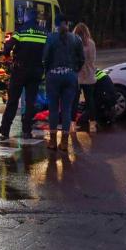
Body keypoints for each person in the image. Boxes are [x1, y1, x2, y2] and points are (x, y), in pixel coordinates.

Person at [0, 10, 47, 140]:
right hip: (36, 72)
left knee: (12, 101)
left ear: (26, 18)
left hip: (19, 71)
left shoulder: (20, 31)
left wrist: (6, 55)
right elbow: (48, 52)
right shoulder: (44, 33)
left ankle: (5, 129)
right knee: (30, 102)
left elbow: (8, 47)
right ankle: (27, 130)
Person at [43, 16, 85, 151]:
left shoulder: (50, 38)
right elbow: (82, 59)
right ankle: (65, 143)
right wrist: (74, 70)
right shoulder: (76, 39)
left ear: (55, 24)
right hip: (70, 76)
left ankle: (53, 141)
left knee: (53, 109)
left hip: (53, 76)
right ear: (68, 24)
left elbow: (45, 58)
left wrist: (48, 70)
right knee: (66, 109)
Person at [72, 23, 98, 133]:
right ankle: (92, 124)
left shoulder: (73, 43)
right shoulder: (91, 43)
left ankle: (72, 124)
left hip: (76, 76)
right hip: (89, 75)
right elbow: (93, 59)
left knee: (74, 101)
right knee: (90, 101)